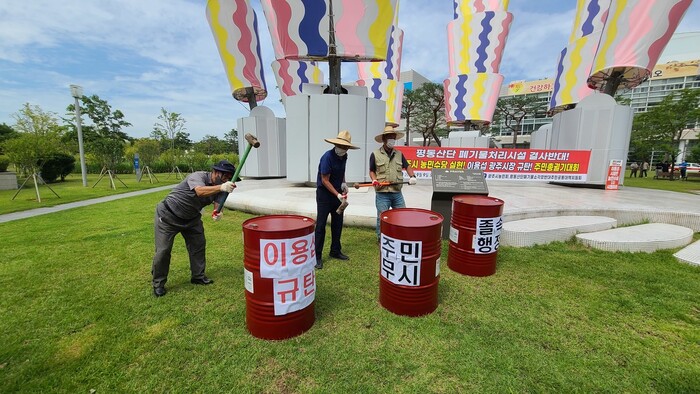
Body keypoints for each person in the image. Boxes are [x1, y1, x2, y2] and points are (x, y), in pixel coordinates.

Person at [151, 160, 237, 297]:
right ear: (215, 171)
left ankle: (198, 276)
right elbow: (199, 191)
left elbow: (217, 203)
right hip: (168, 216)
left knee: (198, 245)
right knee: (163, 250)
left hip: (192, 219)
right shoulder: (198, 176)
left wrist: (218, 212)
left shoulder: (221, 187)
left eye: (229, 177)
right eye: (225, 175)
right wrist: (221, 187)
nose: (226, 179)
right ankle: (158, 284)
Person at [315, 130, 359, 269]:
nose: (344, 149)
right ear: (336, 144)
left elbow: (342, 171)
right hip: (324, 195)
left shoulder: (344, 157)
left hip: (337, 194)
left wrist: (343, 183)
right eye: (342, 146)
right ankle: (317, 256)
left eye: (346, 147)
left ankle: (335, 250)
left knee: (337, 223)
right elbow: (325, 179)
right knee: (321, 225)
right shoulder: (327, 157)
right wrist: (337, 194)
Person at [369, 126, 417, 239]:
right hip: (382, 193)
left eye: (393, 137)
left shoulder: (399, 154)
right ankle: (381, 239)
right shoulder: (375, 154)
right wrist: (374, 179)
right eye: (390, 137)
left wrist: (412, 176)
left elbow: (408, 166)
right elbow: (372, 171)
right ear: (384, 139)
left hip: (397, 192)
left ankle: (400, 237)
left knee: (401, 215)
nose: (392, 140)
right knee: (382, 217)